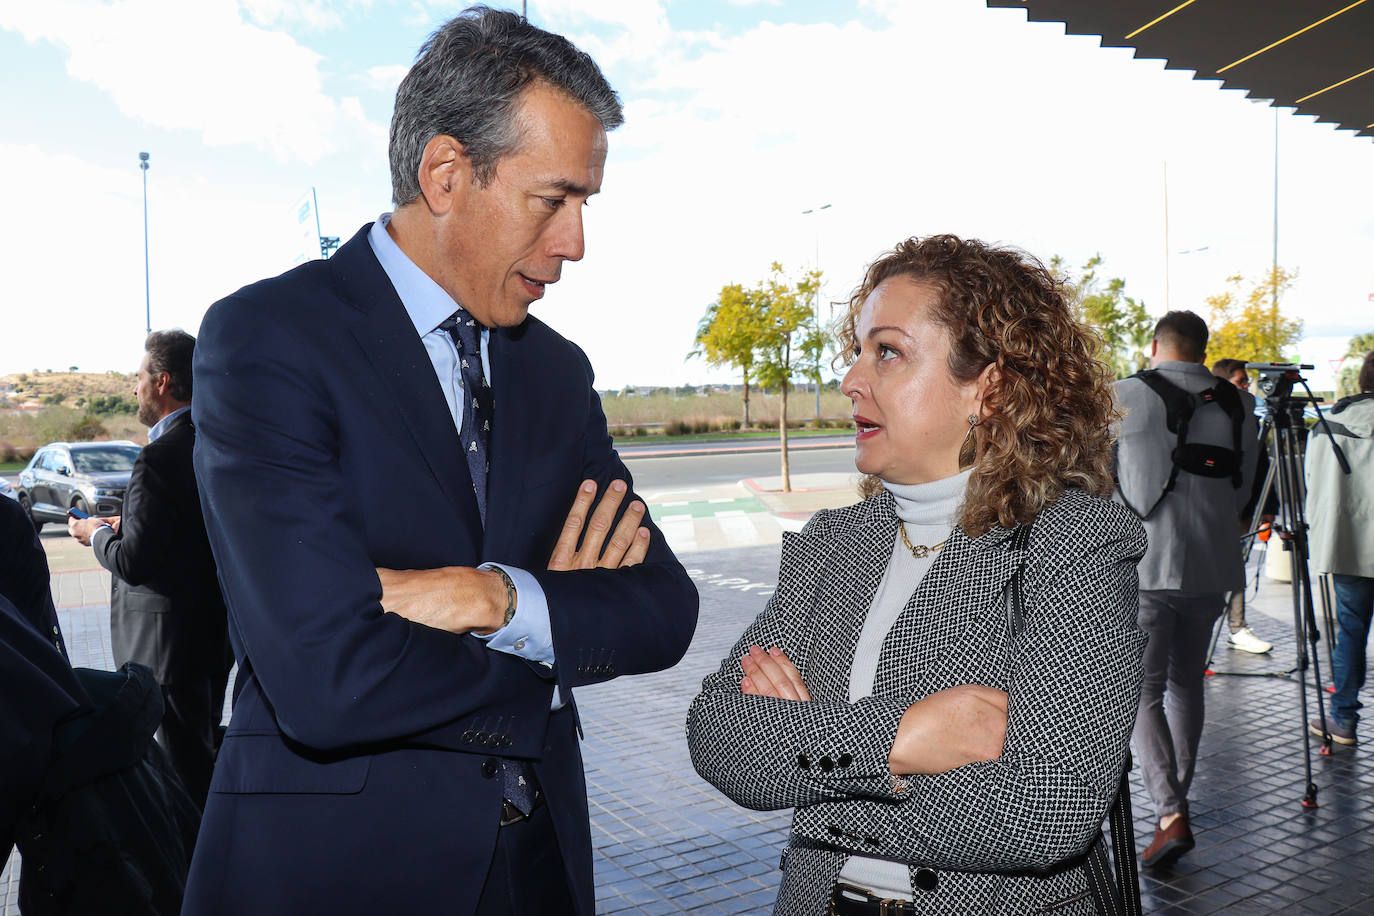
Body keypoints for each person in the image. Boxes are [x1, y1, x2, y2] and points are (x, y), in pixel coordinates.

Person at [182, 8, 698, 915]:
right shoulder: (271, 338)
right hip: (338, 876)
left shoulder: (553, 368)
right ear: (448, 174)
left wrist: (491, 596)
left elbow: (662, 610)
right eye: (555, 199)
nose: (577, 242)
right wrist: (553, 633)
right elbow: (327, 681)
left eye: (586, 204)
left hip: (539, 874)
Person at [687, 235, 1147, 915]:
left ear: (988, 390)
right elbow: (719, 734)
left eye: (889, 352)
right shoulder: (832, 544)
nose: (850, 379)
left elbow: (1046, 810)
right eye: (859, 350)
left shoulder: (1070, 543)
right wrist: (901, 740)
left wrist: (811, 771)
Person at [1114, 312, 1259, 868]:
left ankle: (1170, 811)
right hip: (1214, 562)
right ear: (1203, 350)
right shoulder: (1238, 403)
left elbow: (1104, 480)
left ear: (1155, 345)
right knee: (1185, 684)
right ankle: (1173, 808)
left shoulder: (1123, 394)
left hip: (1147, 566)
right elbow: (1243, 485)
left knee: (1141, 693)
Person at [67, 329, 231, 808]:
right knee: (202, 759)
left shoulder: (158, 458)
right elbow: (189, 532)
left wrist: (94, 533)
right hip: (210, 642)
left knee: (183, 782)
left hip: (165, 654)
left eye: (138, 377)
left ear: (162, 382)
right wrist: (131, 522)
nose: (132, 388)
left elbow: (132, 562)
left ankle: (198, 878)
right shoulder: (213, 442)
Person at [1306, 349, 1374, 746]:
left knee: (1350, 630)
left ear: (1363, 380)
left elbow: (1311, 486)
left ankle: (1343, 718)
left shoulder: (1329, 424)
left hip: (1349, 546)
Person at [1210, 357, 1273, 655]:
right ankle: (1229, 627)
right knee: (1219, 570)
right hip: (1214, 509)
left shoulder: (1251, 419)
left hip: (1241, 512)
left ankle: (1237, 626)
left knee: (1235, 567)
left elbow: (1261, 468)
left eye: (1247, 382)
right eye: (1240, 382)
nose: (1247, 387)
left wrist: (1265, 511)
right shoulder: (1207, 418)